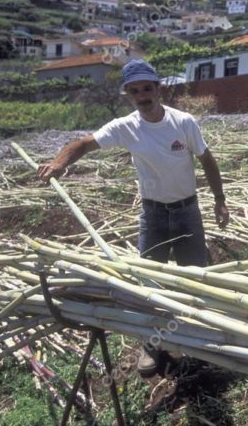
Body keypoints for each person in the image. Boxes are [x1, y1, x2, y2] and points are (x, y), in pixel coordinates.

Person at [38, 59, 230, 377]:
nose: (142, 95)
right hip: (153, 215)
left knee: (195, 277)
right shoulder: (125, 127)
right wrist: (60, 162)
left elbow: (207, 159)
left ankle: (200, 341)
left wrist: (220, 201)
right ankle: (152, 345)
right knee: (148, 283)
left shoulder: (183, 122)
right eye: (135, 91)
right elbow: (84, 143)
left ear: (158, 89)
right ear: (128, 94)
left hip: (187, 211)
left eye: (147, 88)